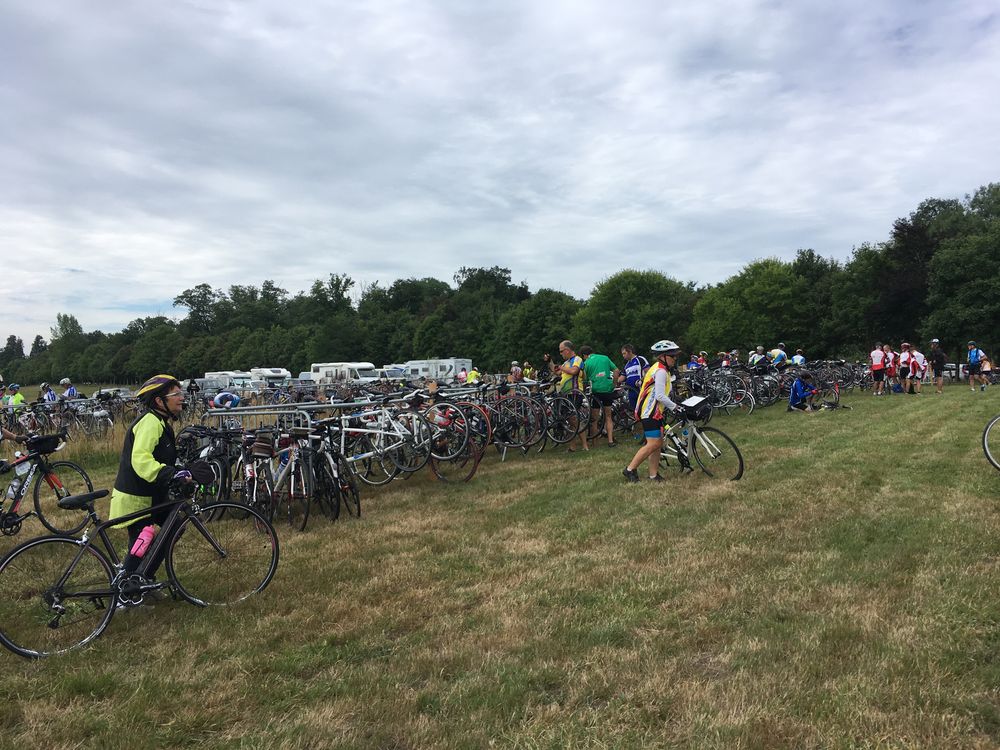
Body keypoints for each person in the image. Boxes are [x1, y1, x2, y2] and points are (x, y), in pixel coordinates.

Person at [109, 374, 190, 585]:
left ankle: (143, 577)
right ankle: (125, 589)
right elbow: (141, 459)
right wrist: (169, 474)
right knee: (142, 540)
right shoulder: (150, 422)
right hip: (135, 496)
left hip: (151, 495)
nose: (181, 397)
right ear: (159, 401)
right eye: (176, 394)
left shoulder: (160, 422)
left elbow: (161, 457)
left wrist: (178, 470)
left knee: (175, 525)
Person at [623, 340, 682, 483]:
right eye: (672, 356)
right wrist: (675, 407)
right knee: (653, 444)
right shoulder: (661, 371)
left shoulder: (661, 369)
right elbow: (660, 396)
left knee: (657, 443)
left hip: (653, 412)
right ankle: (630, 469)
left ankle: (653, 475)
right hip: (649, 412)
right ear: (663, 357)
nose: (675, 358)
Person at [580, 345, 619, 448]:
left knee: (594, 419)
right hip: (607, 389)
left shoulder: (586, 363)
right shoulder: (605, 358)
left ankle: (595, 442)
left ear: (584, 355)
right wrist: (614, 384)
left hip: (595, 391)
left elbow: (585, 380)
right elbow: (616, 371)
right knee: (608, 416)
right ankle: (610, 441)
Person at [551, 340, 587, 452]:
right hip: (566, 394)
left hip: (575, 393)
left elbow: (574, 371)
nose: (560, 353)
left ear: (567, 350)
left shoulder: (577, 359)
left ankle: (584, 445)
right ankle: (573, 447)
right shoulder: (566, 362)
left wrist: (561, 368)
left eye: (561, 351)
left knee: (574, 419)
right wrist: (549, 362)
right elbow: (557, 372)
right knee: (570, 420)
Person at [618, 343, 648, 413]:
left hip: (641, 389)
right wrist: (613, 380)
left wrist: (641, 380)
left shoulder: (640, 359)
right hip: (631, 391)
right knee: (635, 412)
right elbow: (622, 378)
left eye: (624, 353)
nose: (623, 356)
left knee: (643, 410)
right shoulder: (627, 365)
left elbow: (648, 372)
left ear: (630, 351)